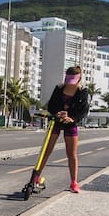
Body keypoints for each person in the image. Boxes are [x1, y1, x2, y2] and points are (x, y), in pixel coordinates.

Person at [36, 65, 90, 193]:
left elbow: (83, 111)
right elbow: (51, 106)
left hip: (70, 124)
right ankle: (36, 177)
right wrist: (57, 113)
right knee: (46, 150)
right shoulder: (59, 88)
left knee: (71, 154)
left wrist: (72, 118)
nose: (70, 85)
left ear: (79, 79)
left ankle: (74, 182)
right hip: (56, 121)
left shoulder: (83, 92)